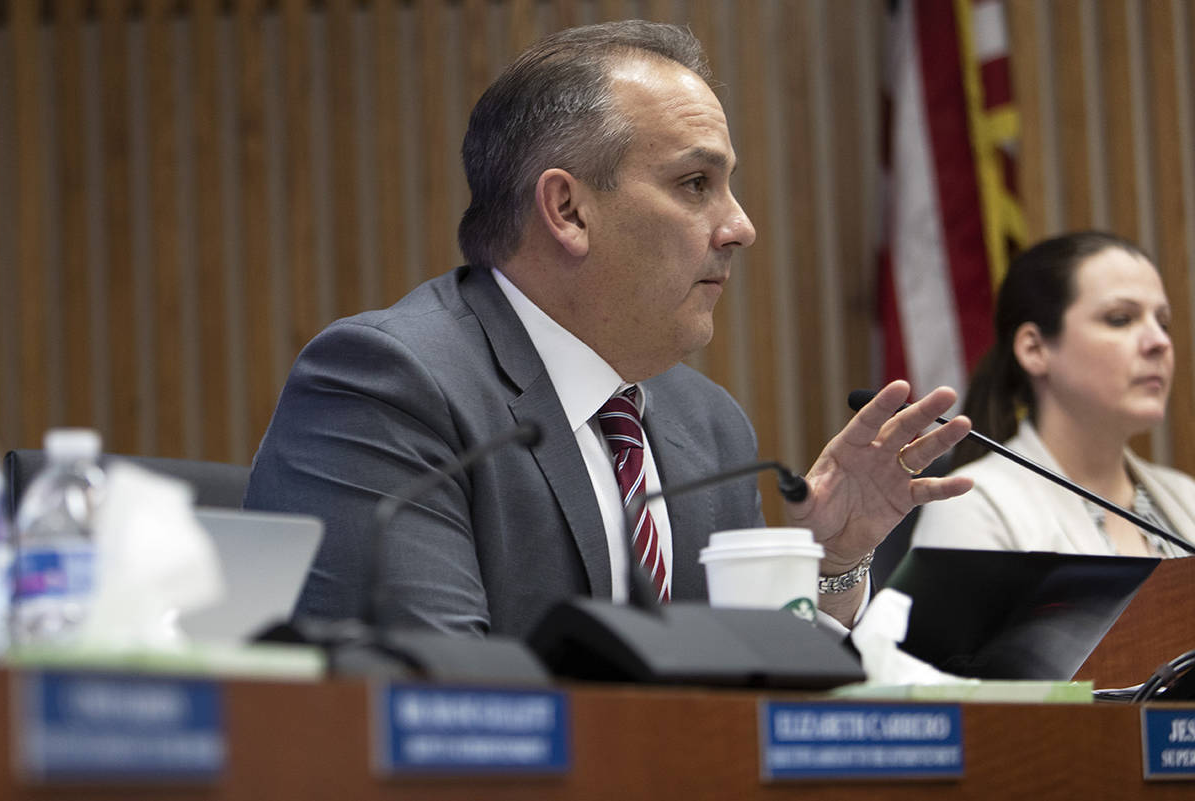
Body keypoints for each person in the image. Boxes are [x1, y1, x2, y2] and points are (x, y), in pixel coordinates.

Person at [244, 20, 971, 638]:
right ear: (567, 211)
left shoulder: (709, 427)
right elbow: (436, 700)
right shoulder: (388, 385)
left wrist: (831, 569)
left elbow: (753, 695)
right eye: (696, 184)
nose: (741, 226)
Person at [913, 231, 1195, 555]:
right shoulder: (974, 509)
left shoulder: (1187, 498)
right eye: (1120, 319)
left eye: (1163, 322)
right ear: (1034, 349)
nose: (1159, 342)